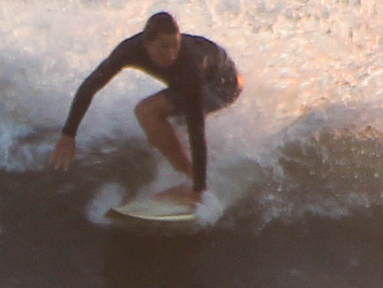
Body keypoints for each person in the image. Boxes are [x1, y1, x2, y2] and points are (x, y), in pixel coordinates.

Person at [47, 12, 242, 206]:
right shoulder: (130, 50)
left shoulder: (190, 63)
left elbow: (196, 126)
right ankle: (201, 171)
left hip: (223, 85)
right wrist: (68, 134)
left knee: (147, 111)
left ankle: (193, 183)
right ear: (146, 43)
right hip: (193, 84)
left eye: (175, 45)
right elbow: (90, 86)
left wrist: (197, 190)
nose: (171, 54)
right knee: (160, 125)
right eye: (164, 47)